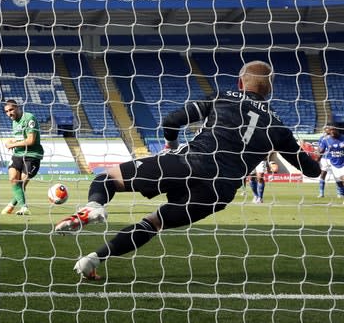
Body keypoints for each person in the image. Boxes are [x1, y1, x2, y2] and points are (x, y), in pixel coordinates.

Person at [54, 61, 321, 280]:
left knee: (108, 179)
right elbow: (309, 170)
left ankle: (93, 207)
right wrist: (314, 156)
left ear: (240, 83)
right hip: (217, 191)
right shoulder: (279, 128)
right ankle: (93, 260)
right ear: (269, 91)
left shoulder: (222, 96)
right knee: (153, 223)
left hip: (188, 163)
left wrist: (171, 145)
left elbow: (172, 120)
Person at [1, 99, 44, 216]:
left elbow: (30, 140)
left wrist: (13, 144)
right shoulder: (14, 122)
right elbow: (20, 137)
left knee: (21, 184)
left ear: (17, 107)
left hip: (32, 156)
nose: (9, 113)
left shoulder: (29, 118)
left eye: (11, 110)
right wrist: (11, 140)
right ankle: (24, 208)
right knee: (13, 180)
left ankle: (11, 205)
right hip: (18, 155)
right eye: (6, 111)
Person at [317, 123, 344, 200]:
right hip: (331, 161)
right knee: (338, 179)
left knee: (343, 178)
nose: (329, 130)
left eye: (331, 129)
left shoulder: (342, 138)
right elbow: (320, 151)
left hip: (342, 161)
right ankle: (321, 192)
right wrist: (316, 160)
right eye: (328, 129)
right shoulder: (324, 139)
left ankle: (340, 193)